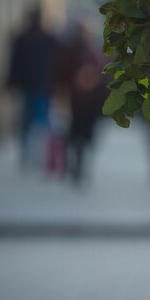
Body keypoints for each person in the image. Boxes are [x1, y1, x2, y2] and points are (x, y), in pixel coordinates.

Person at [54, 21, 106, 184]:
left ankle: (79, 164)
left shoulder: (92, 51)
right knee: (77, 134)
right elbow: (62, 75)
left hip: (89, 102)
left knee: (83, 134)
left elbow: (103, 74)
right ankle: (76, 164)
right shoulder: (73, 51)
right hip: (78, 101)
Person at [6, 3, 57, 168]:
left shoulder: (25, 38)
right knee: (38, 121)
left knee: (32, 122)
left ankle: (33, 155)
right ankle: (35, 156)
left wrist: (11, 83)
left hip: (34, 86)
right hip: (37, 86)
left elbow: (14, 64)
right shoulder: (45, 38)